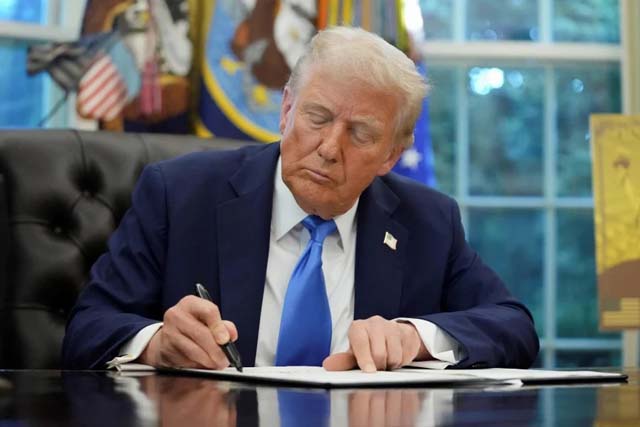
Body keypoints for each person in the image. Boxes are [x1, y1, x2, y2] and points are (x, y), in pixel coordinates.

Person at [62, 26, 539, 371]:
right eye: (317, 117)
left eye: (360, 133)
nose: (329, 148)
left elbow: (513, 326)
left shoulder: (428, 221)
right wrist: (157, 344)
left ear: (392, 154)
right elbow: (88, 328)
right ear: (286, 109)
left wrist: (413, 337)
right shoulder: (180, 194)